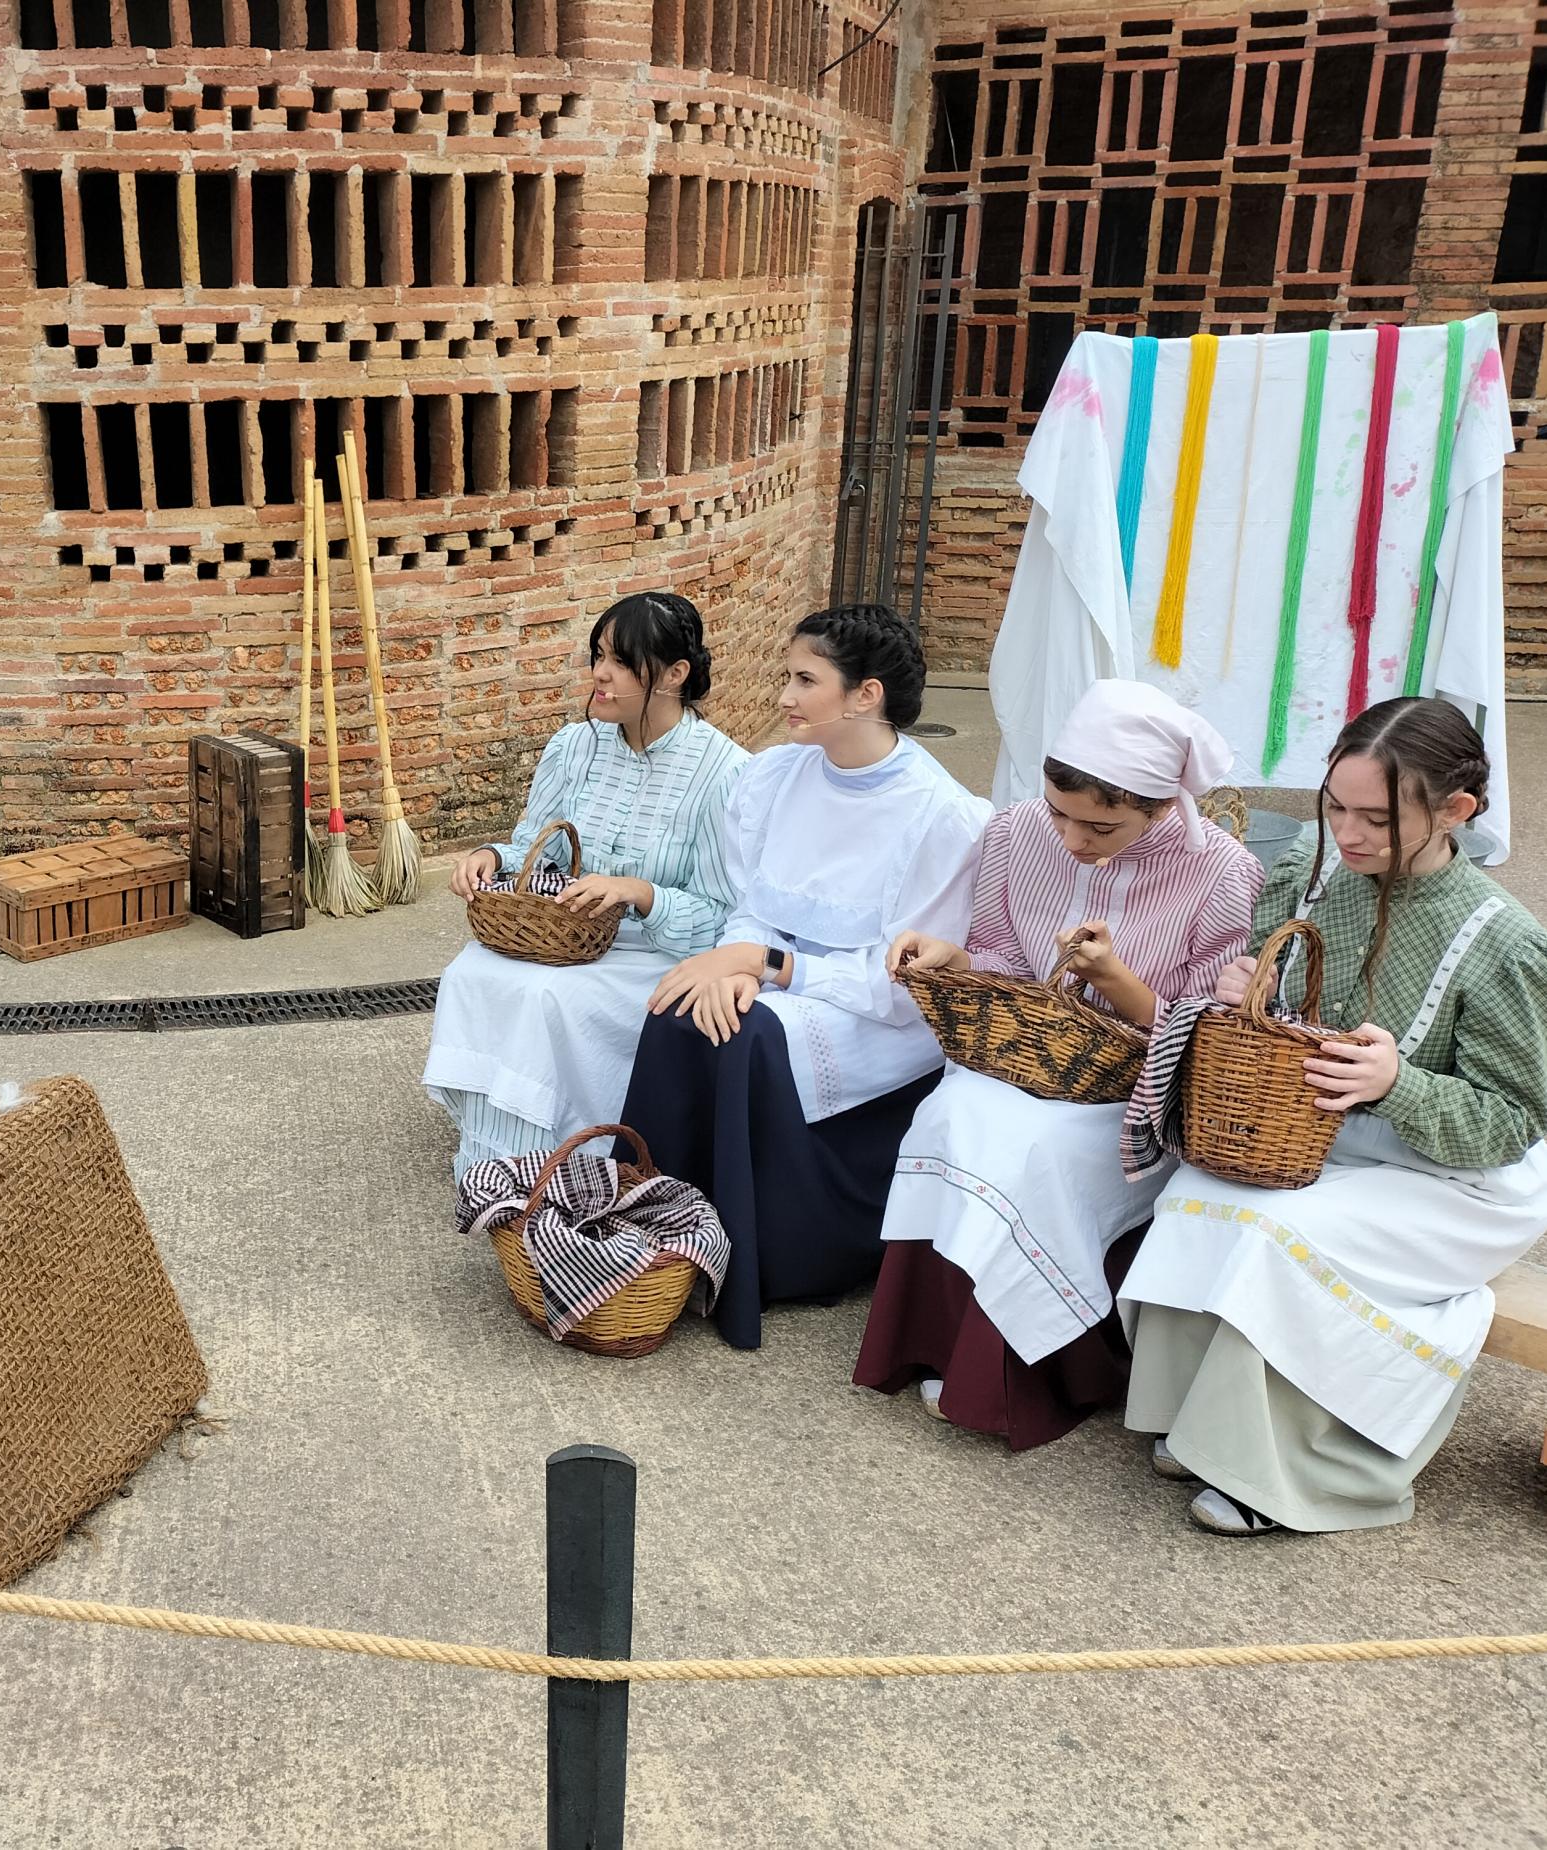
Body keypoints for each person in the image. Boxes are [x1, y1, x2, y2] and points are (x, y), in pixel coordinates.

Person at [1120, 698, 1547, 1535]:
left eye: (1376, 820)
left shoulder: (1503, 943)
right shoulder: (1311, 875)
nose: (1346, 834)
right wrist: (1245, 989)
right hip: (1323, 1139)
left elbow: (1513, 1122)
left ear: (1456, 810)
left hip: (1456, 1182)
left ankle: (1291, 1469)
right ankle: (1195, 1419)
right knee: (1196, 1196)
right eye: (1334, 807)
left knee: (1278, 1234)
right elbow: (1273, 1003)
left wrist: (1398, 1084)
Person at [850, 680, 1264, 1447]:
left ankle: (1018, 1378)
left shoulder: (1221, 874)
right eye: (1058, 814)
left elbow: (1209, 1036)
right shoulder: (1014, 832)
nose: (1072, 840)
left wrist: (1116, 981)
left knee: (1036, 1150)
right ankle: (937, 1343)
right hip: (1024, 1058)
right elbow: (1004, 960)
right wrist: (954, 957)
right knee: (949, 1113)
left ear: (1160, 808)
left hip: (1130, 1092)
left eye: (1101, 827)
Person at [619, 602, 987, 1348]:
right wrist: (736, 965)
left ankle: (762, 1263)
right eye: (787, 676)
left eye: (804, 680)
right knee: (677, 1007)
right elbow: (750, 904)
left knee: (747, 1037)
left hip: (876, 1010)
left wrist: (767, 969)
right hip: (776, 977)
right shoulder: (774, 776)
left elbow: (901, 983)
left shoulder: (942, 816)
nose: (783, 696)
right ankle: (650, 1236)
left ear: (866, 695)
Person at [423, 592, 752, 1176]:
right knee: (470, 972)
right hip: (567, 936)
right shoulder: (574, 745)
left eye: (621, 662)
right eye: (599, 655)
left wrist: (641, 894)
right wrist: (489, 856)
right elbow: (535, 847)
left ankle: (556, 1163)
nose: (600, 673)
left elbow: (723, 916)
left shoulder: (723, 772)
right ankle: (495, 1160)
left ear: (674, 675)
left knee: (546, 998)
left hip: (651, 953)